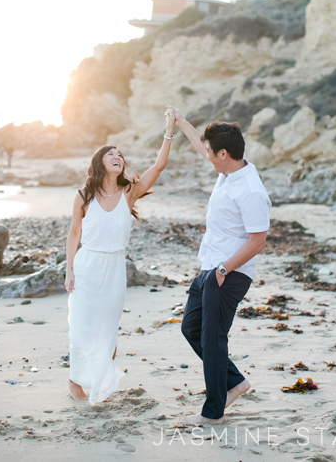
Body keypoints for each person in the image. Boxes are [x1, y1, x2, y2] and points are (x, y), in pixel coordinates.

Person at [167, 107, 271, 425]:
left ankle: (212, 413)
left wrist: (223, 270)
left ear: (224, 153)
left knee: (213, 340)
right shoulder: (227, 170)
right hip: (209, 266)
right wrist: (180, 120)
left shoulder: (251, 190)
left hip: (229, 273)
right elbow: (203, 144)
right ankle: (235, 382)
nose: (207, 156)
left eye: (212, 153)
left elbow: (258, 241)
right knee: (191, 328)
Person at [64, 108, 175, 403]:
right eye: (111, 153)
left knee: (108, 328)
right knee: (82, 327)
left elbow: (159, 166)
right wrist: (69, 270)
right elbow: (74, 234)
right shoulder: (84, 195)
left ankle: (100, 383)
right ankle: (75, 383)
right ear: (100, 162)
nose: (117, 156)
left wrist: (169, 129)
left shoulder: (130, 193)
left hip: (114, 268)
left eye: (120, 154)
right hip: (87, 265)